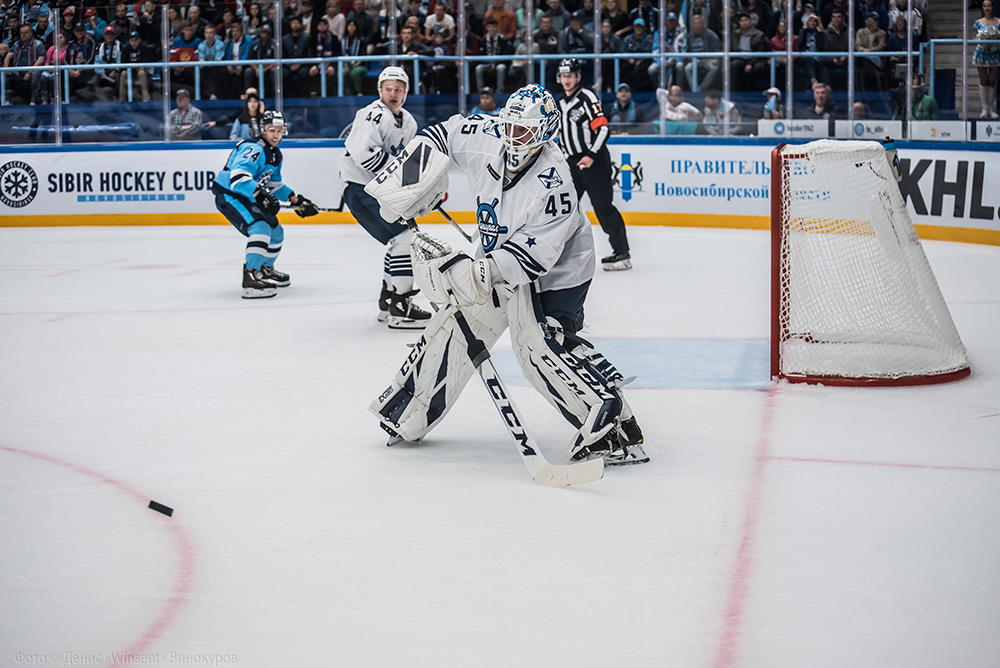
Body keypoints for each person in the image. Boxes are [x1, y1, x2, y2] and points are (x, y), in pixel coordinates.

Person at [367, 83, 649, 466]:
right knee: (457, 325)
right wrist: (412, 178)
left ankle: (611, 427)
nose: (513, 137)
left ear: (545, 132)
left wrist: (475, 273)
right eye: (509, 126)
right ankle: (409, 411)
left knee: (538, 344)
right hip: (498, 256)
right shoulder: (488, 133)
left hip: (558, 271)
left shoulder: (555, 183)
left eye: (524, 131)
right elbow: (442, 134)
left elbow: (533, 258)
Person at [340, 66, 431, 329]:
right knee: (404, 239)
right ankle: (400, 305)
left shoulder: (410, 121)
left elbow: (409, 161)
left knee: (398, 240)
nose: (393, 93)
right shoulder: (372, 114)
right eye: (389, 89)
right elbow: (364, 154)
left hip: (379, 190)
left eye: (399, 89)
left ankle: (389, 299)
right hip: (361, 188)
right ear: (380, 90)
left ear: (406, 92)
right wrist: (402, 176)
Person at [212, 110, 318, 299]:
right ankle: (251, 276)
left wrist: (296, 200)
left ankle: (265, 269)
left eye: (280, 130)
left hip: (247, 196)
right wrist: (261, 195)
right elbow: (238, 178)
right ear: (263, 130)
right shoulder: (254, 148)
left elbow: (274, 184)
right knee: (260, 228)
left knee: (276, 231)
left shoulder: (275, 154)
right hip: (230, 195)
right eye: (272, 130)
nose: (276, 135)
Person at [556, 58, 632, 271]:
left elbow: (604, 129)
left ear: (578, 77)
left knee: (603, 208)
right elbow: (562, 134)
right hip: (573, 162)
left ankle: (622, 254)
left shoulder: (587, 97)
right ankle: (561, 253)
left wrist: (590, 155)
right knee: (566, 209)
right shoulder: (561, 103)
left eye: (570, 75)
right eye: (563, 76)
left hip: (594, 160)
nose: (567, 80)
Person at [5, 24, 44, 104]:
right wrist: (6, 68)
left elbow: (41, 59)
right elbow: (8, 56)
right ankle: (7, 100)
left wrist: (30, 72)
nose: (23, 35)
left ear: (31, 33)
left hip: (32, 70)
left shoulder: (38, 44)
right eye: (21, 33)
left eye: (26, 33)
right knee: (3, 75)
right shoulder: (17, 44)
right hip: (17, 70)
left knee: (36, 74)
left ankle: (33, 100)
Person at [974, 0, 1000, 118]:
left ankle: (992, 108)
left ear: (992, 7)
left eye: (989, 5)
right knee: (983, 80)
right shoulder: (978, 22)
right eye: (985, 6)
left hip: (994, 53)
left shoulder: (998, 21)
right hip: (982, 53)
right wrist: (979, 39)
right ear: (982, 8)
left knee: (992, 80)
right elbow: (974, 37)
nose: (987, 8)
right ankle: (985, 108)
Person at [683, 14, 722, 92]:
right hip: (695, 59)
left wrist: (716, 59)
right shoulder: (689, 36)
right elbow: (685, 50)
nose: (696, 25)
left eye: (698, 23)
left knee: (714, 68)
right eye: (694, 23)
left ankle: (702, 88)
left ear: (703, 24)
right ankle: (694, 89)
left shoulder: (711, 35)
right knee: (687, 68)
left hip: (707, 58)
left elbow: (717, 49)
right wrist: (689, 57)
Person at [476, 17, 510, 93]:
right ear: (487, 28)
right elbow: (481, 55)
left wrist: (495, 64)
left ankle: (499, 90)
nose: (492, 29)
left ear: (497, 27)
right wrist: (487, 64)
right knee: (478, 68)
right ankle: (480, 91)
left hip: (499, 63)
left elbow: (504, 55)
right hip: (486, 63)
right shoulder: (483, 40)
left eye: (494, 27)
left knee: (500, 68)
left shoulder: (502, 40)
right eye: (490, 27)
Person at [119, 30, 153, 102]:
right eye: (132, 40)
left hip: (140, 70)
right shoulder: (126, 48)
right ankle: (121, 99)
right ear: (129, 41)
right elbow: (123, 63)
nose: (134, 43)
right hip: (129, 70)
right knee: (123, 74)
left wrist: (142, 67)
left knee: (141, 73)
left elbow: (146, 62)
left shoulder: (144, 48)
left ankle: (145, 97)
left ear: (139, 40)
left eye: (136, 40)